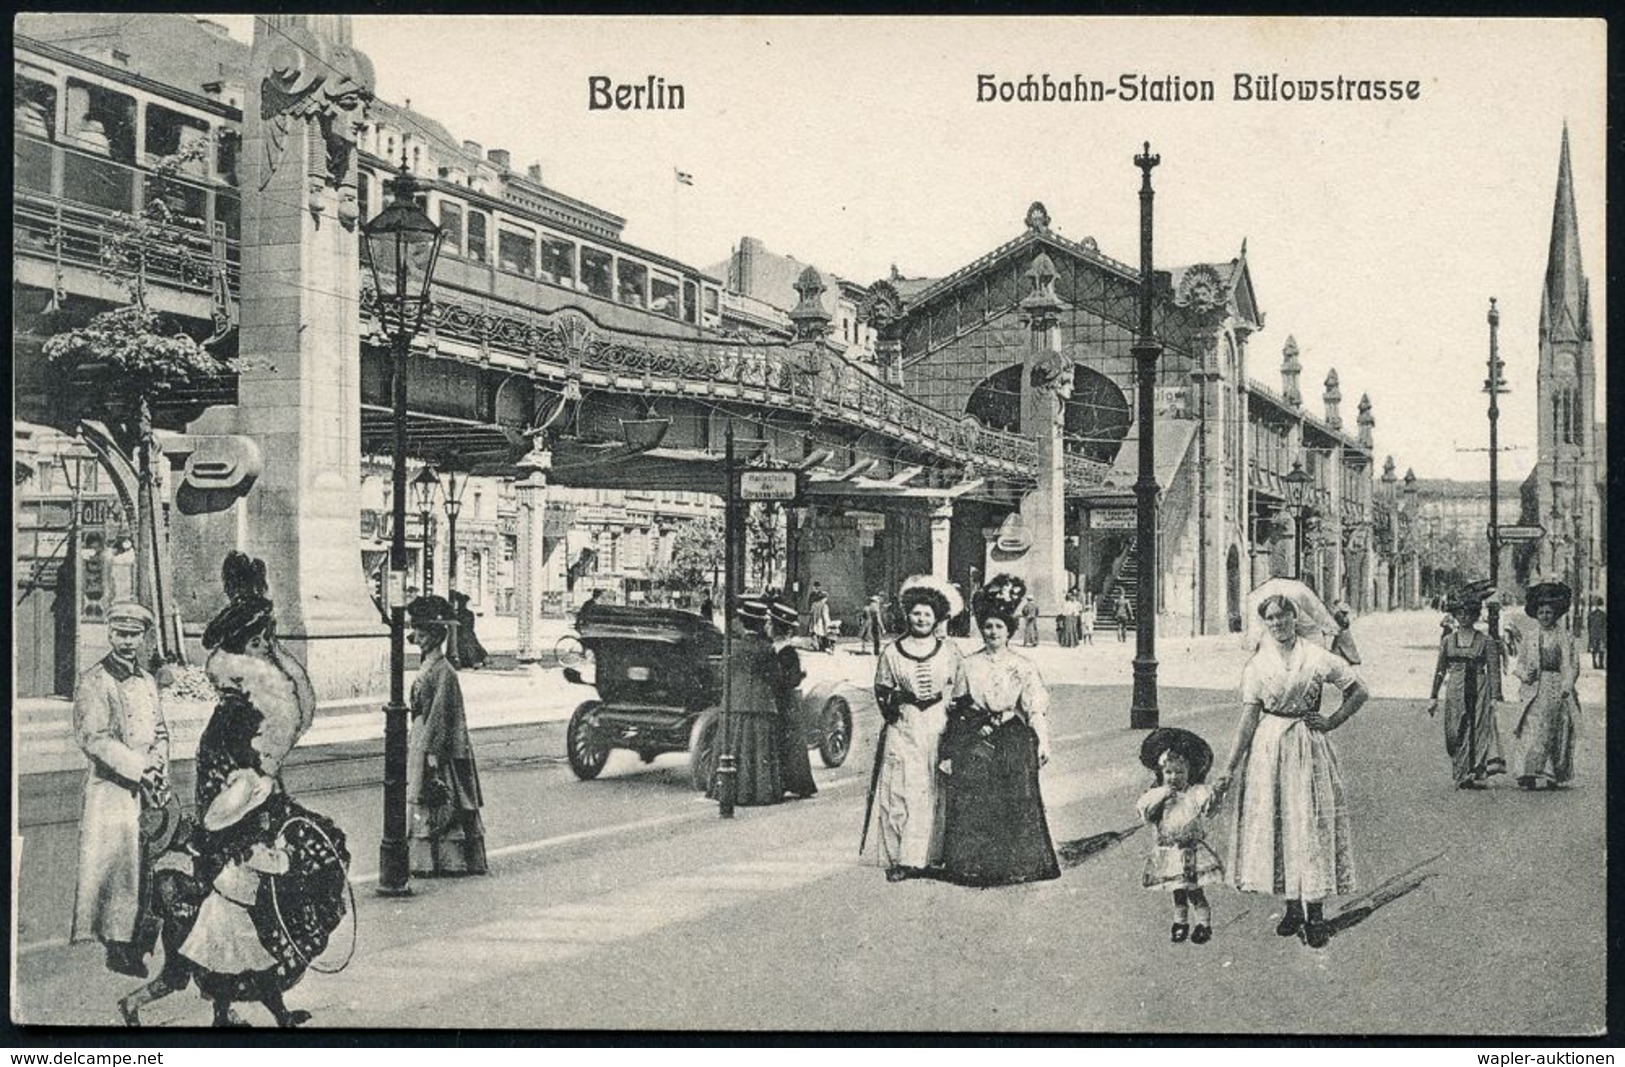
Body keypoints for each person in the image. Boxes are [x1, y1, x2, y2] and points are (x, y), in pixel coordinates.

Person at [177, 556, 349, 1027]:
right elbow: (229, 789)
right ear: (244, 649)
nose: (269, 648)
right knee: (265, 899)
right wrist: (259, 818)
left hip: (259, 805)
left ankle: (248, 1006)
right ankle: (232, 1007)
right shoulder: (238, 709)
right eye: (261, 641)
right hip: (239, 820)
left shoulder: (257, 696)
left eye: (269, 639)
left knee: (311, 861)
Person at [1213, 590, 1370, 949]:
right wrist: (1230, 767)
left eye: (1283, 617)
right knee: (1280, 821)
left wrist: (1331, 721)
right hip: (1269, 747)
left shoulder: (1317, 657)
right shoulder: (1257, 665)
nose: (1278, 624)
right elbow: (1249, 716)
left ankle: (1315, 913)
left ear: (1295, 619)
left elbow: (1359, 691)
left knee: (1309, 822)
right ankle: (1291, 908)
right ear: (1264, 623)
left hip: (1306, 743)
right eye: (1270, 618)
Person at [938, 575, 1059, 887]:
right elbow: (959, 708)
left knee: (1015, 799)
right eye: (988, 627)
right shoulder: (968, 664)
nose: (992, 633)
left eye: (999, 627)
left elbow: (1035, 707)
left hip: (1010, 735)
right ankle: (975, 864)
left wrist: (1042, 741)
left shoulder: (1023, 665)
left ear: (1009, 631)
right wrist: (951, 751)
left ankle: (1016, 863)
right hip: (976, 735)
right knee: (976, 799)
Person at [71, 601, 170, 981]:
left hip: (146, 788)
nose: (128, 642)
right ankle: (117, 947)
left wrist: (158, 765)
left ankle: (136, 943)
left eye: (135, 635)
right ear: (110, 635)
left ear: (144, 638)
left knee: (145, 868)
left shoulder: (146, 681)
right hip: (112, 789)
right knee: (116, 870)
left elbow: (160, 732)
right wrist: (139, 768)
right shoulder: (95, 680)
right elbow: (93, 738)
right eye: (121, 634)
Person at [862, 575, 964, 882]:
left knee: (933, 788)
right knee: (900, 789)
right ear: (908, 615)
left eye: (927, 614)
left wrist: (955, 727)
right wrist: (895, 707)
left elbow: (960, 691)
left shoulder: (949, 652)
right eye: (916, 613)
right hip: (904, 726)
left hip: (937, 724)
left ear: (937, 618)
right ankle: (902, 859)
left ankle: (931, 856)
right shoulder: (892, 652)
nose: (921, 619)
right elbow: (882, 687)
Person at [407, 595, 488, 874]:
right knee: (431, 797)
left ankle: (445, 860)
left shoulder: (444, 671)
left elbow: (441, 714)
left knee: (440, 796)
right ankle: (434, 859)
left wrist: (430, 753)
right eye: (417, 629)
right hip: (424, 736)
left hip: (435, 742)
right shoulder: (430, 666)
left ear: (437, 635)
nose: (417, 636)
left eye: (424, 631)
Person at [1137, 728, 1223, 944]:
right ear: (1161, 773)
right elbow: (1146, 815)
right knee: (1177, 892)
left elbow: (1208, 807)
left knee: (1195, 891)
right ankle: (1180, 923)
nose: (1174, 777)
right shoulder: (1157, 794)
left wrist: (1217, 793)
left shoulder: (1194, 793)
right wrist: (1162, 797)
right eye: (1169, 773)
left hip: (1190, 850)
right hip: (1169, 852)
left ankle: (1203, 924)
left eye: (1180, 772)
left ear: (1189, 772)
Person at [1427, 590, 1506, 790]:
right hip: (1455, 687)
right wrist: (1433, 696)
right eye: (1460, 613)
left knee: (1478, 726)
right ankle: (1461, 769)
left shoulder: (1485, 641)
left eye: (1468, 613)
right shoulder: (1448, 641)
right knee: (1455, 730)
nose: (1464, 617)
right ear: (1455, 615)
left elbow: (1494, 670)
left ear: (1475, 615)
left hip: (1479, 686)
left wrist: (1496, 696)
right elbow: (1440, 670)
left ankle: (1476, 772)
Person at [1513, 582, 1581, 791]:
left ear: (1556, 614)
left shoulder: (1564, 637)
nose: (1544, 616)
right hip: (1535, 688)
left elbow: (1571, 665)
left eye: (1548, 612)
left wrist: (1567, 686)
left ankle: (1553, 773)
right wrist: (1525, 675)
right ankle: (1528, 772)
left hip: (1557, 687)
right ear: (1536, 614)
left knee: (1556, 728)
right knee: (1532, 728)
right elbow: (1520, 664)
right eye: (1541, 612)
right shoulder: (1530, 637)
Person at [720, 598, 785, 805]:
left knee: (735, 748)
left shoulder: (733, 646)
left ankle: (732, 791)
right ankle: (759, 793)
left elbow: (724, 672)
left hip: (735, 701)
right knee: (758, 751)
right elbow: (776, 678)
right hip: (760, 703)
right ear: (759, 624)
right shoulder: (766, 648)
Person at [769, 601, 817, 799]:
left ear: (777, 628)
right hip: (782, 700)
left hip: (785, 701)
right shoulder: (778, 649)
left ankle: (795, 783)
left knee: (788, 742)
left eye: (771, 624)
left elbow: (792, 679)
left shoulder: (787, 652)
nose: (768, 628)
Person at [448, 589, 489, 670]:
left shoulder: (462, 613)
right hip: (466, 634)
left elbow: (466, 626)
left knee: (468, 642)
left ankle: (475, 660)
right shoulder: (467, 613)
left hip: (464, 634)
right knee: (470, 642)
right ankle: (479, 659)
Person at [808, 584, 833, 653]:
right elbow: (825, 616)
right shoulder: (824, 606)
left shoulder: (814, 604)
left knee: (815, 633)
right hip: (821, 622)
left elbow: (811, 612)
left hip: (814, 621)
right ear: (824, 598)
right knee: (823, 634)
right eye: (826, 598)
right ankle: (824, 647)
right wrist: (828, 623)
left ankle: (816, 646)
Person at [1586, 597, 1606, 670]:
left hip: (1593, 634)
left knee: (1594, 649)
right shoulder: (1604, 615)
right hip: (1601, 634)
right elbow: (1605, 626)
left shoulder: (1591, 614)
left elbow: (1589, 626)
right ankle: (1601, 664)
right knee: (1601, 649)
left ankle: (1594, 663)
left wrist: (1590, 633)